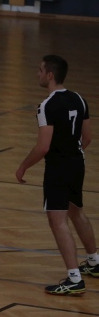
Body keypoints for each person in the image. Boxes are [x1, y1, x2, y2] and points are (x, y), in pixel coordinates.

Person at [16, 54, 98, 295]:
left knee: (57, 220)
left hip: (58, 168)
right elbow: (87, 137)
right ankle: (94, 261)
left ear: (50, 75)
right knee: (76, 211)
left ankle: (74, 279)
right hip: (77, 164)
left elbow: (43, 147)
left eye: (40, 70)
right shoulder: (79, 99)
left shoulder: (47, 106)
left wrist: (23, 166)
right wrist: (73, 153)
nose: (38, 74)